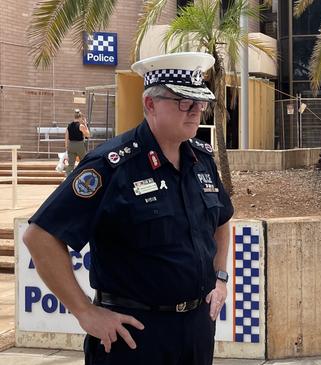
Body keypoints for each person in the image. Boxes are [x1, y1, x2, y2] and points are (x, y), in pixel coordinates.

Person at [23, 52, 234, 365]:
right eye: (183, 102)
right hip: (134, 336)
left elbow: (221, 220)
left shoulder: (200, 159)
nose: (195, 111)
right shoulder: (112, 165)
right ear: (150, 104)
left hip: (196, 329)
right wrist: (86, 312)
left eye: (200, 103)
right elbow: (39, 236)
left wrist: (219, 278)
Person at [64, 108, 90, 176]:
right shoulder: (81, 126)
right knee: (84, 161)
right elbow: (88, 135)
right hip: (79, 145)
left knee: (71, 164)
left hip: (71, 145)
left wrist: (66, 147)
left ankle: (67, 178)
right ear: (80, 117)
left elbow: (66, 137)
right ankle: (84, 176)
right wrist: (85, 124)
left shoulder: (68, 126)